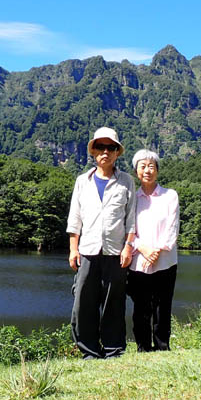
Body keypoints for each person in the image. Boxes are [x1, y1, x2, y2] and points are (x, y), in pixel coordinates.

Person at [67, 127, 136, 359]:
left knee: (113, 303)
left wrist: (128, 247)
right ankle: (88, 351)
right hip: (87, 251)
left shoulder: (126, 181)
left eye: (111, 148)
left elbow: (131, 218)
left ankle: (114, 349)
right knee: (83, 302)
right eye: (100, 147)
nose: (105, 152)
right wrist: (73, 249)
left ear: (117, 153)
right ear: (93, 151)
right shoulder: (82, 181)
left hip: (116, 252)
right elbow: (75, 218)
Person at [127, 149, 179, 352]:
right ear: (136, 171)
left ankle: (162, 346)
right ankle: (142, 346)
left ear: (157, 170)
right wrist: (143, 248)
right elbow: (126, 228)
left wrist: (156, 251)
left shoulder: (170, 196)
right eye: (143, 166)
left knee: (162, 306)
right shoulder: (131, 198)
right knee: (141, 307)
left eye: (151, 166)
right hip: (138, 260)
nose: (147, 170)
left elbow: (172, 228)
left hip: (165, 260)